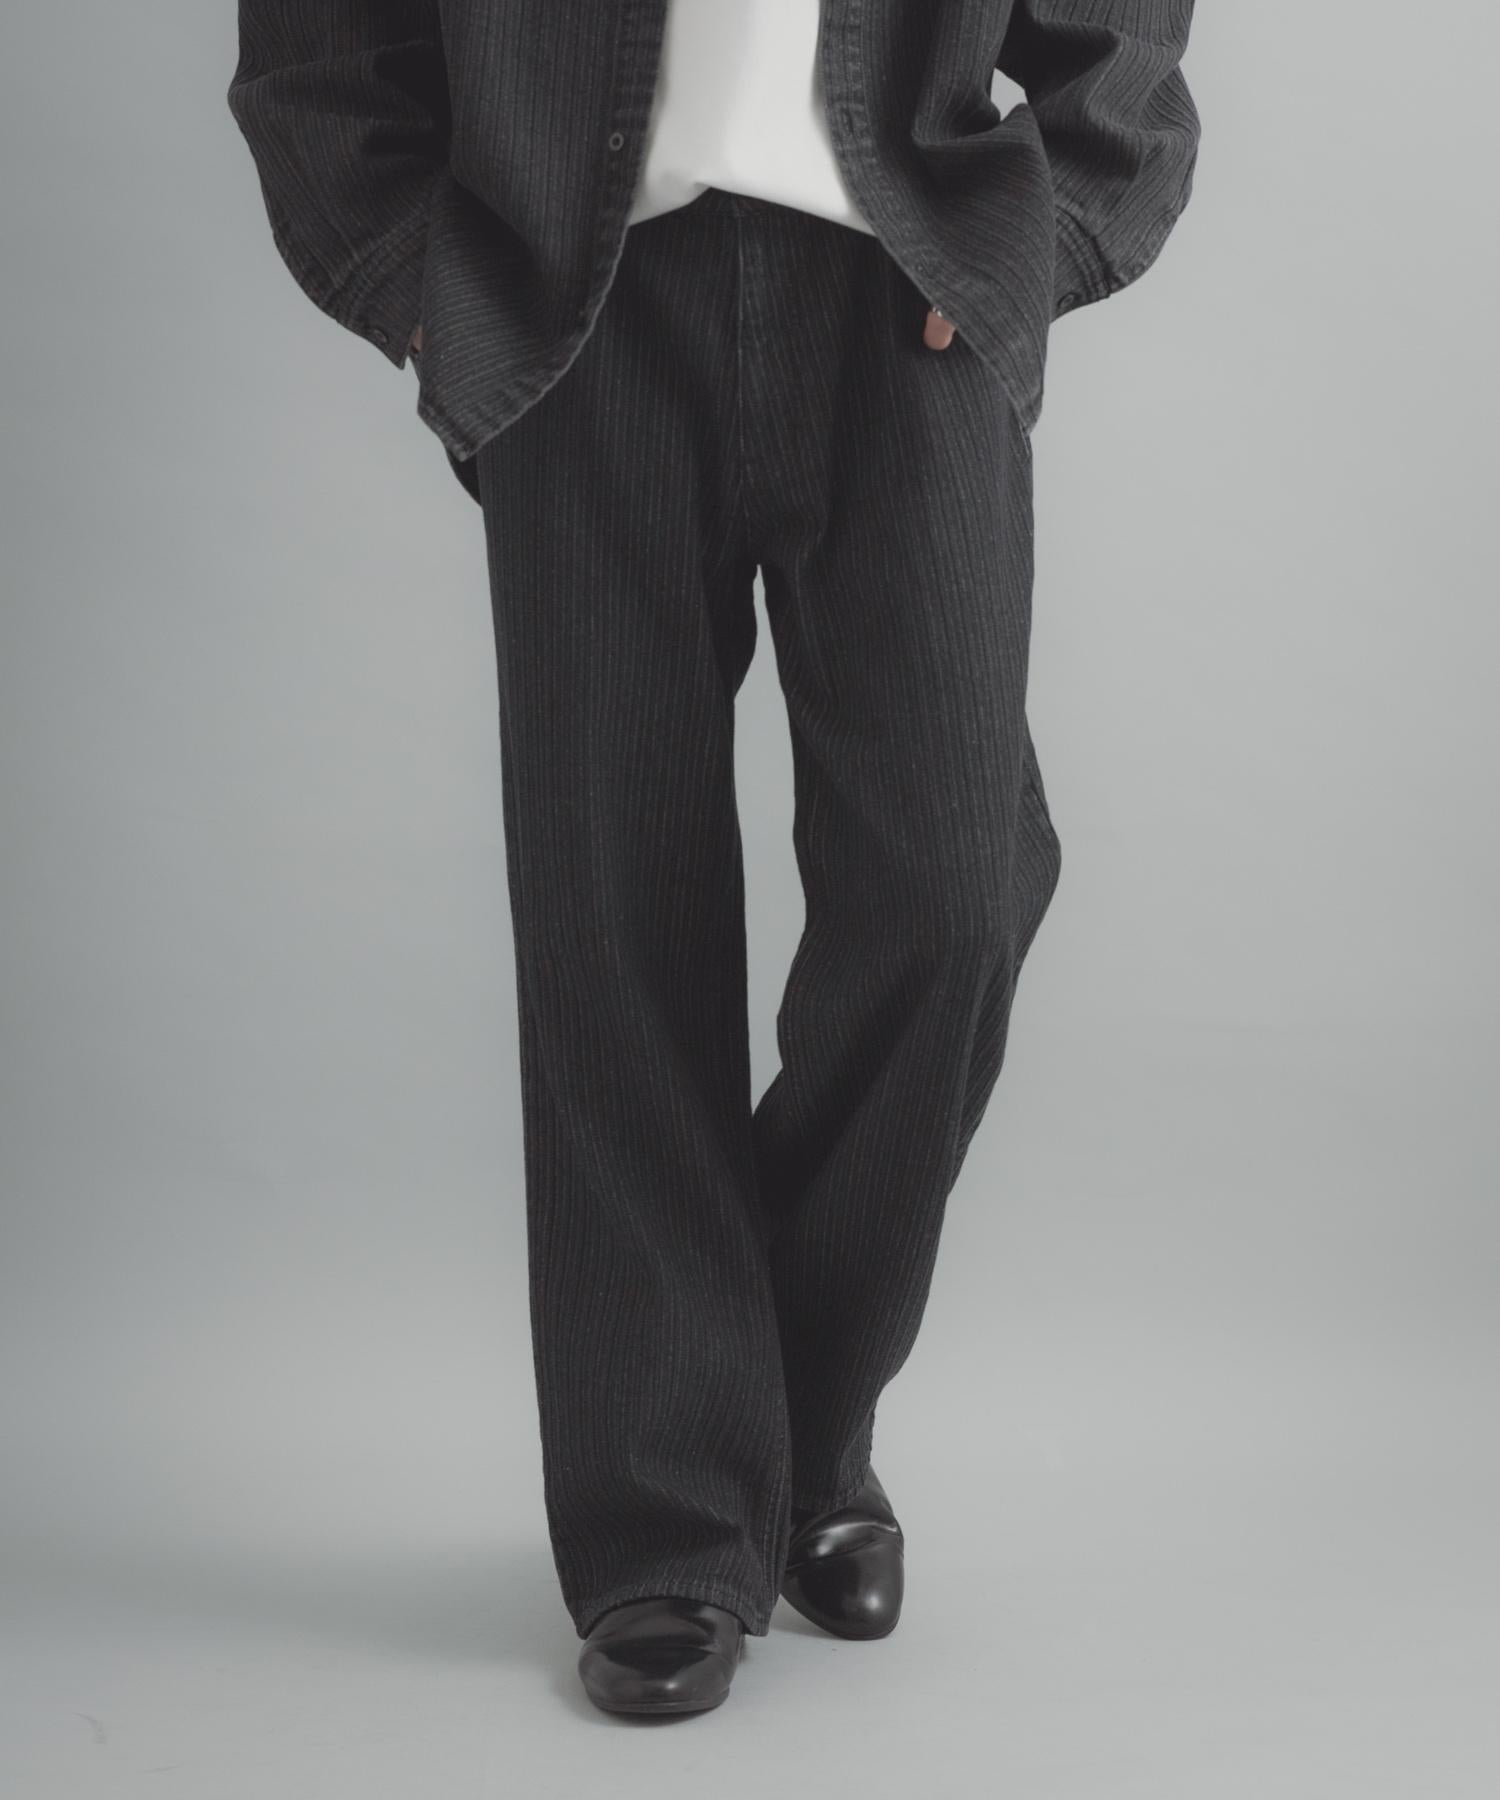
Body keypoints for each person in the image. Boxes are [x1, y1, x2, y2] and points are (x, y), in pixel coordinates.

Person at [227, 0, 1200, 1717]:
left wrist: (1044, 228)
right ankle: (670, 1528)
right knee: (614, 900)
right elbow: (318, 36)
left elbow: (1117, 28)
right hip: (580, 293)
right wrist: (415, 281)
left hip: (906, 275)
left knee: (954, 891)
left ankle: (796, 1431)